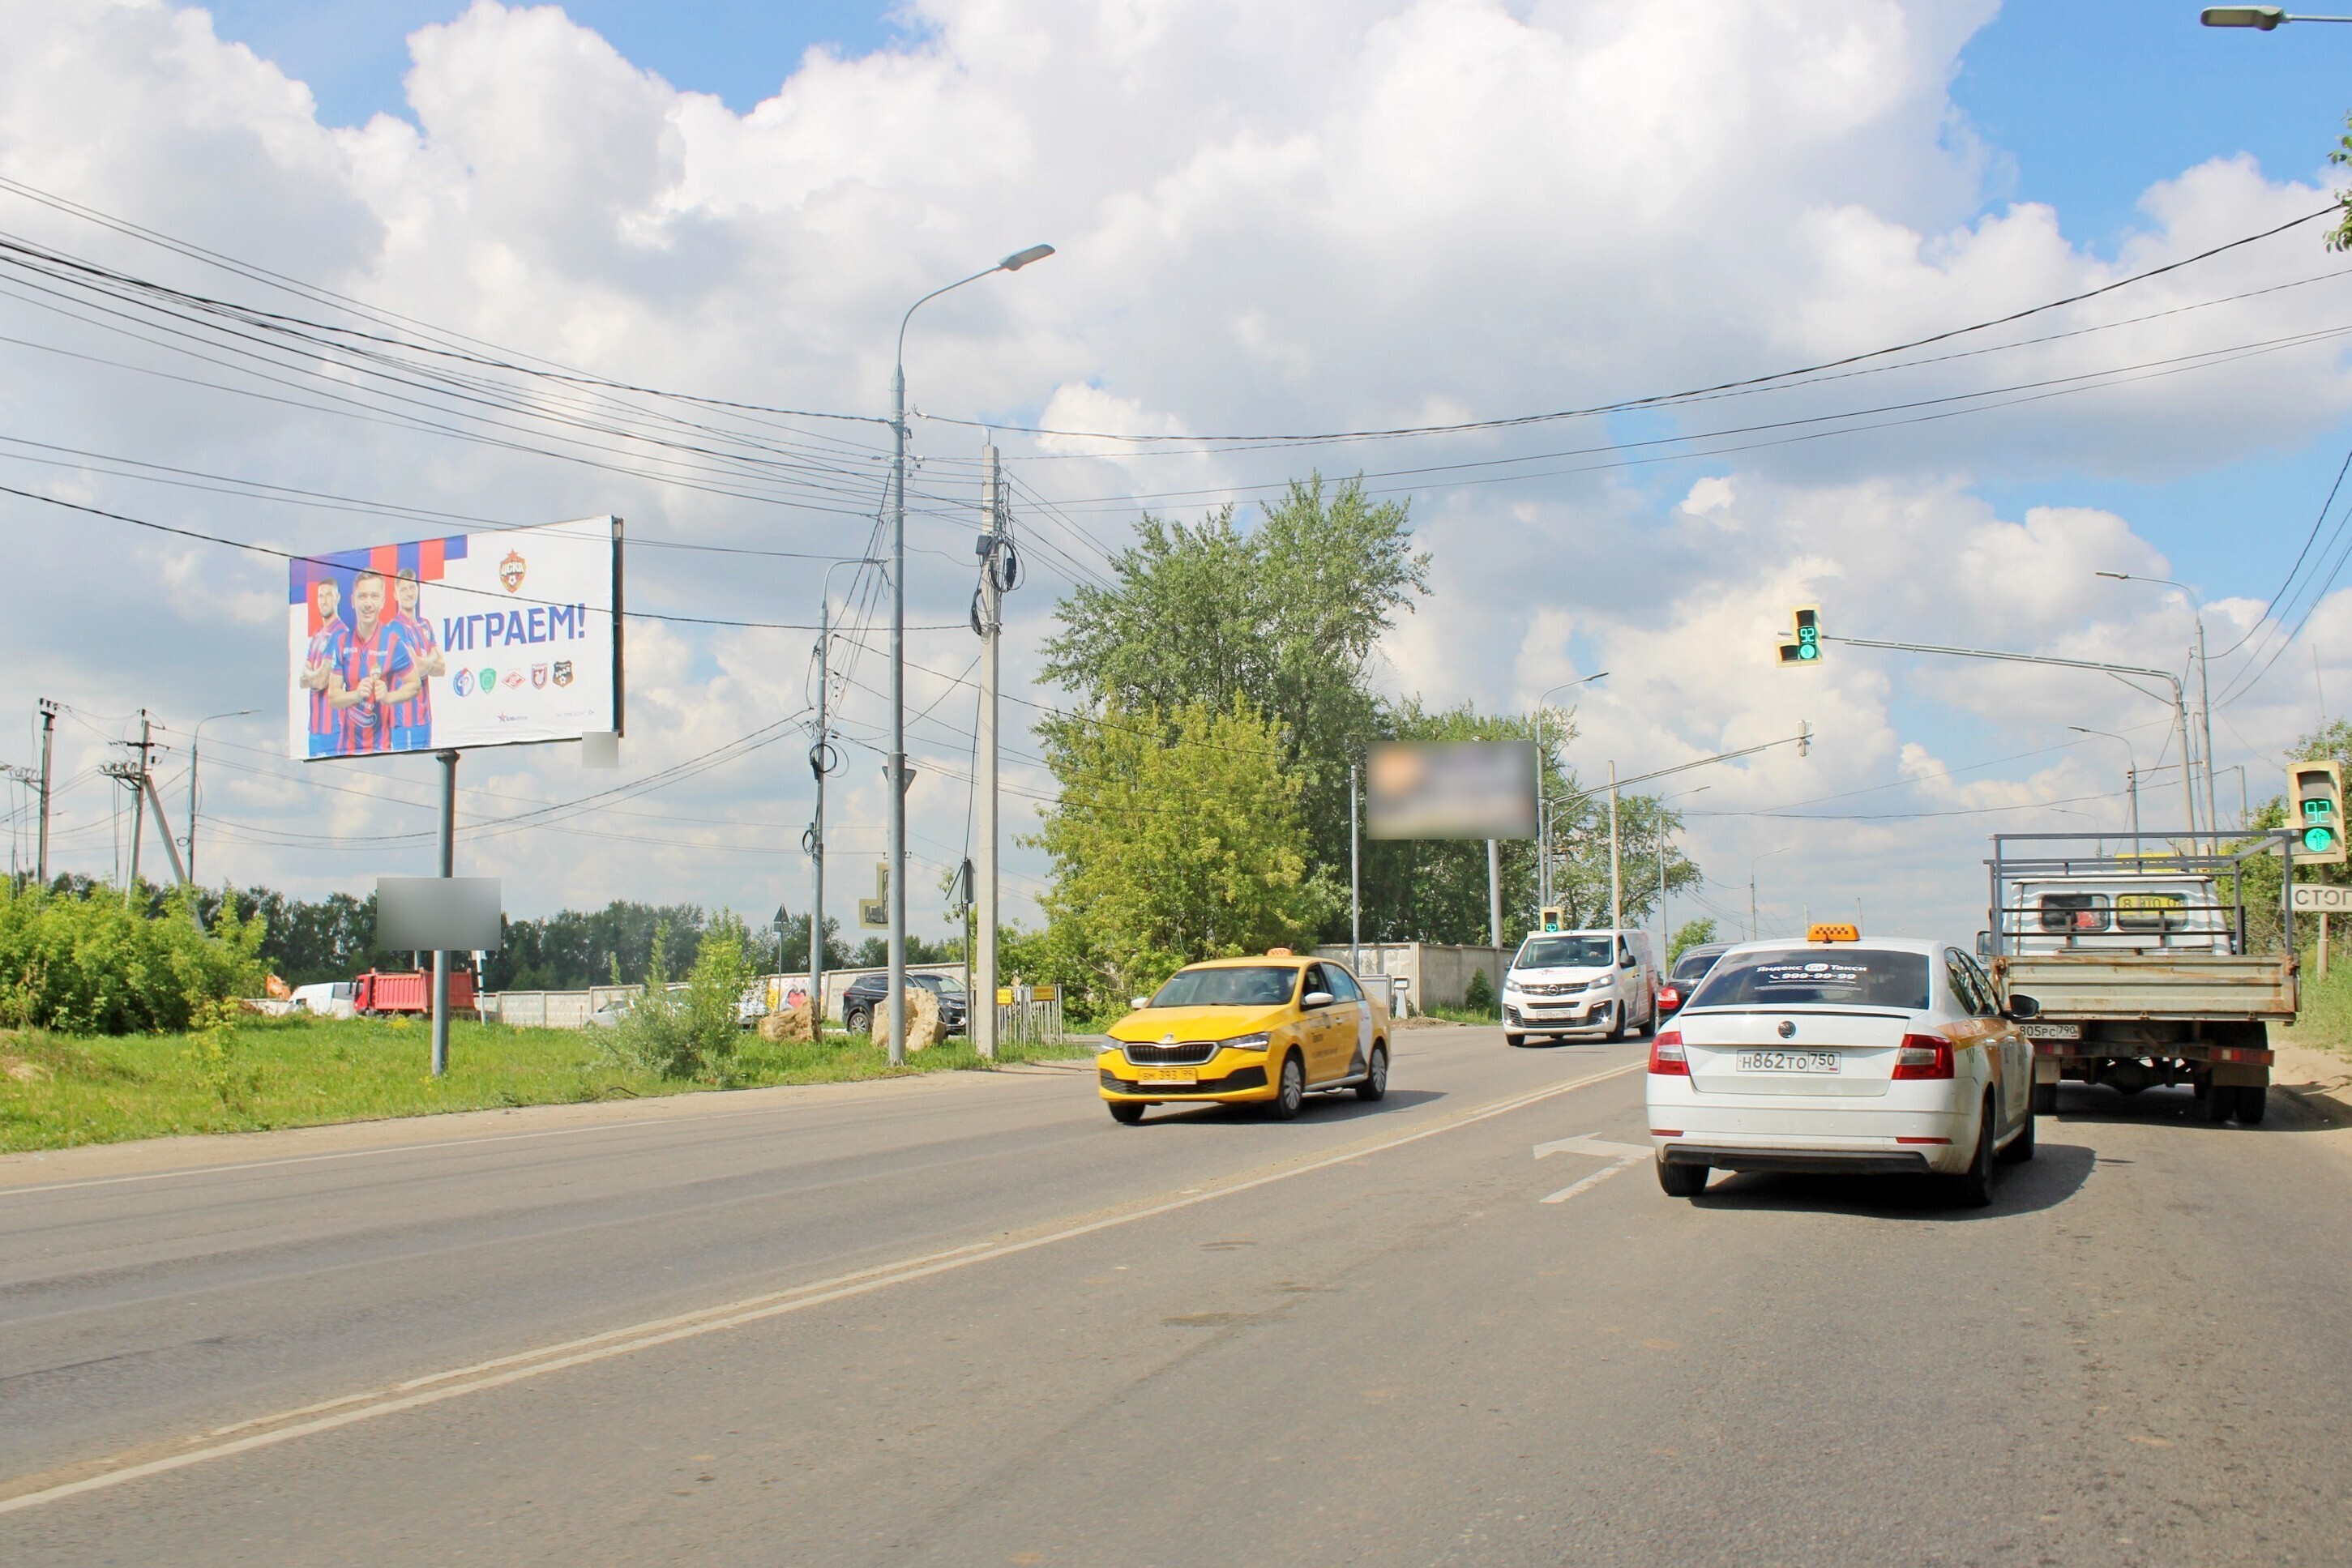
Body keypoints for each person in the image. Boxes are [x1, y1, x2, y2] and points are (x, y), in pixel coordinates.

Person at [327, 570, 418, 754]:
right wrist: (355, 695)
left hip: (382, 749)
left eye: (374, 596)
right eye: (363, 597)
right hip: (346, 751)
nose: (368, 604)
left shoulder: (392, 641)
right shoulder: (341, 642)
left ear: (383, 601)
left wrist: (389, 697)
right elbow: (332, 697)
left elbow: (415, 684)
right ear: (353, 601)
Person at [388, 566, 446, 751]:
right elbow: (418, 670)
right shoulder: (395, 628)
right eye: (403, 589)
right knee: (407, 771)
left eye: (412, 588)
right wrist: (433, 655)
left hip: (425, 718)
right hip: (405, 720)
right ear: (395, 595)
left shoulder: (425, 624)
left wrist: (425, 662)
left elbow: (442, 668)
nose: (409, 593)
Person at [297, 576, 345, 758]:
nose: (324, 601)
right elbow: (302, 680)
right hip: (315, 730)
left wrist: (313, 674)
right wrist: (313, 675)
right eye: (320, 596)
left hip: (333, 729)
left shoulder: (340, 633)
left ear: (337, 598)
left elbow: (321, 679)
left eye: (328, 595)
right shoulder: (318, 635)